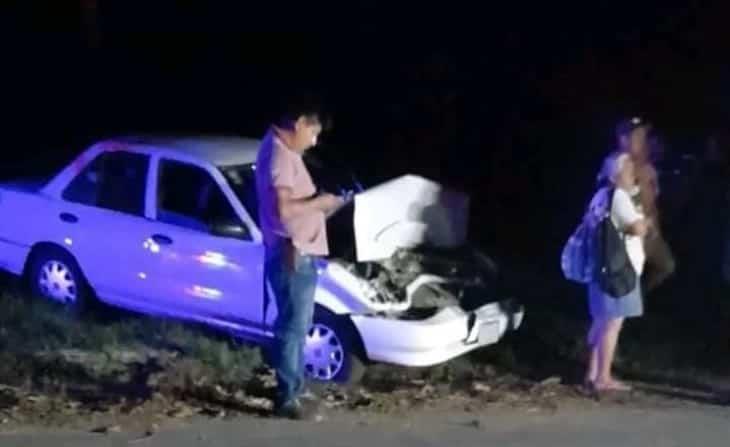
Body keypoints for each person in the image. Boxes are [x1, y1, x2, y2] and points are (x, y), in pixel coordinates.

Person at [255, 96, 345, 420]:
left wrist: (323, 205)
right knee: (294, 327)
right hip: (292, 254)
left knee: (295, 324)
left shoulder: (281, 151)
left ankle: (287, 386)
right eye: (313, 132)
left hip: (293, 252)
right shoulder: (280, 156)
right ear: (300, 123)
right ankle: (288, 398)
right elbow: (283, 211)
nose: (314, 140)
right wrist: (319, 204)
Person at [585, 152, 650, 392]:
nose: (633, 172)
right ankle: (603, 377)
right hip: (619, 271)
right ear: (616, 174)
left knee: (601, 321)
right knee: (612, 323)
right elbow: (637, 228)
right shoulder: (619, 196)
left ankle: (592, 373)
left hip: (600, 269)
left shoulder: (599, 196)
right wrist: (643, 219)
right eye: (628, 169)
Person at [615, 117, 675, 292]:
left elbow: (653, 202)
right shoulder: (618, 165)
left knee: (667, 265)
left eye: (643, 135)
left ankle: (642, 295)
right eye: (637, 136)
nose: (643, 141)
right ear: (623, 139)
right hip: (626, 237)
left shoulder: (648, 168)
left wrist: (654, 227)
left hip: (647, 233)